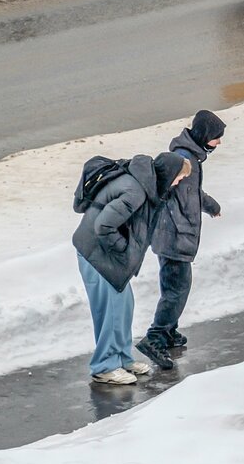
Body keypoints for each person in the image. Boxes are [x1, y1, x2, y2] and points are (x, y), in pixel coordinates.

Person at [73, 152, 189, 385]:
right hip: (96, 254)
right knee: (110, 311)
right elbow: (103, 225)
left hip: (105, 255)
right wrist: (123, 249)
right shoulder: (135, 191)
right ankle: (104, 366)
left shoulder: (143, 187)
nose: (178, 183)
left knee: (124, 306)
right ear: (168, 175)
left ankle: (122, 358)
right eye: (179, 178)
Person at [138, 110, 225, 370]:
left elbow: (192, 193)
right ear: (204, 136)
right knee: (178, 289)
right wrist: (177, 226)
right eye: (216, 137)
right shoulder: (183, 158)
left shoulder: (191, 159)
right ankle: (155, 337)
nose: (219, 143)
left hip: (174, 234)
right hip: (173, 237)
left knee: (173, 287)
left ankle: (168, 331)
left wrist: (210, 206)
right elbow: (163, 194)